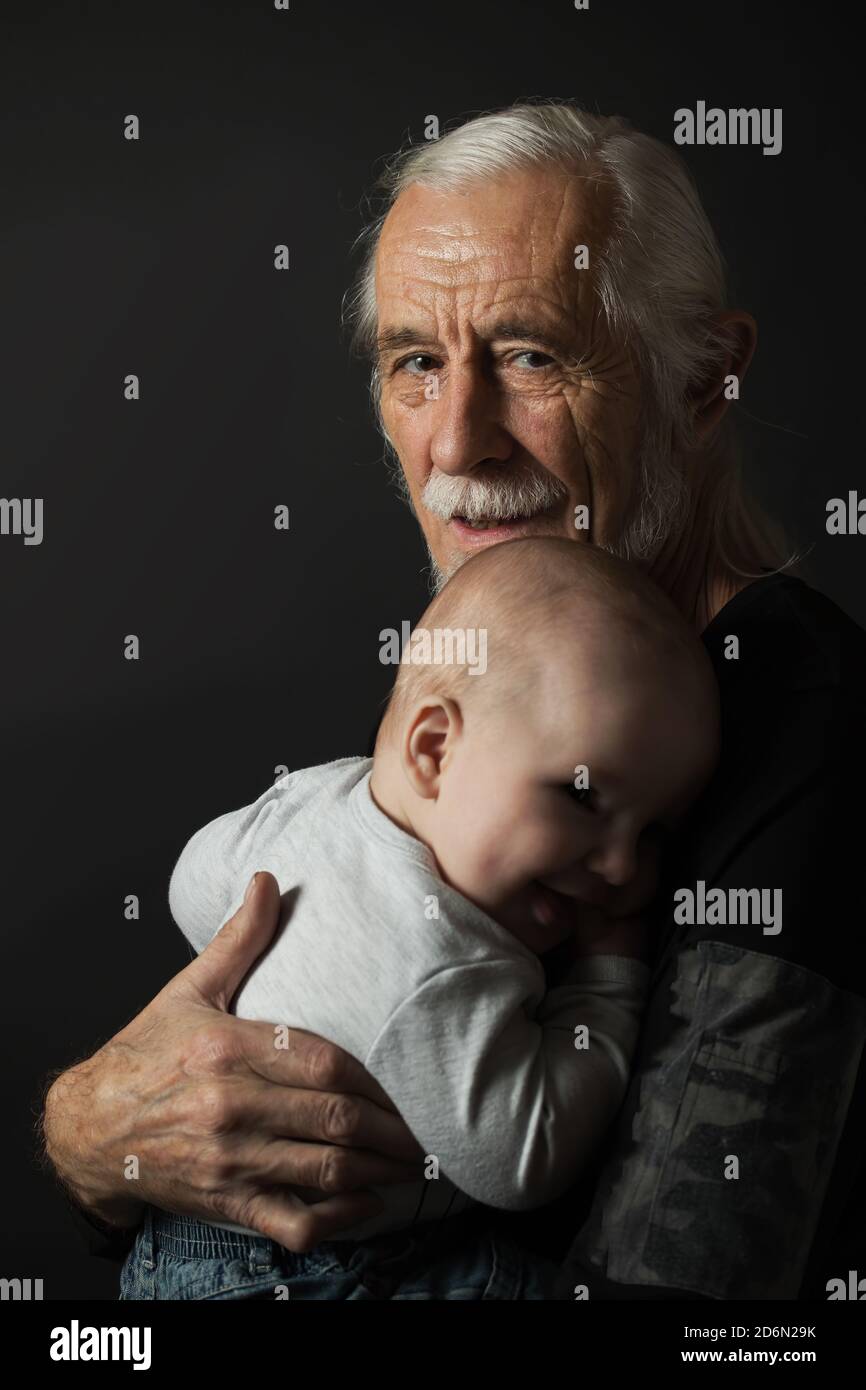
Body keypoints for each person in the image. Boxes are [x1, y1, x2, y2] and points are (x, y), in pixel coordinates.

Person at [40, 101, 866, 1300]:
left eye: (532, 355)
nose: (457, 443)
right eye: (416, 362)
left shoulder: (814, 738)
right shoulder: (486, 674)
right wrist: (94, 1132)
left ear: (702, 383)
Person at [118, 538, 718, 1299]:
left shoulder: (317, 796)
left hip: (175, 1249)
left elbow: (191, 881)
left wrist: (270, 969)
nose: (622, 867)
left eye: (652, 833)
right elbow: (523, 1157)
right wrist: (606, 982)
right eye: (582, 797)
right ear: (434, 749)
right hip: (308, 1270)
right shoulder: (436, 964)